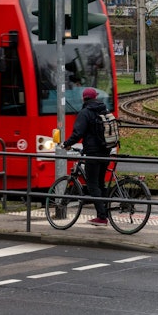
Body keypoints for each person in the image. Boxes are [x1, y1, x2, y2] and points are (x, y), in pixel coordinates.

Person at [63, 87, 111, 225]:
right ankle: (103, 213)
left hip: (93, 153)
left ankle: (102, 217)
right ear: (95, 97)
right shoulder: (104, 109)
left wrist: (67, 143)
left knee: (92, 184)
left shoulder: (85, 113)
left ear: (84, 99)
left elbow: (78, 133)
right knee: (101, 183)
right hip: (106, 151)